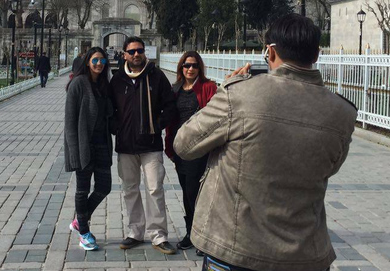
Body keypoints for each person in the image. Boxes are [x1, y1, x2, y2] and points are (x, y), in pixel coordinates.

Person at [174, 14, 358, 271]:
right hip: (305, 253)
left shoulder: (239, 94)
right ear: (316, 54)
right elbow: (331, 166)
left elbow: (184, 144)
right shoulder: (342, 111)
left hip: (237, 247)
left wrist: (225, 90)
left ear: (270, 52)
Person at [110, 36, 178, 255]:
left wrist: (156, 125)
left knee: (155, 189)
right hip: (126, 145)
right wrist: (116, 127)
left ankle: (158, 235)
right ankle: (135, 232)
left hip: (150, 144)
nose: (136, 55)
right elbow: (110, 109)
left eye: (139, 50)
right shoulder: (118, 79)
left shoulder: (155, 76)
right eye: (132, 52)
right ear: (124, 54)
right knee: (130, 190)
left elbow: (170, 106)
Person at [164, 51, 217, 254]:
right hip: (180, 149)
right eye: (187, 65)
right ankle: (190, 233)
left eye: (194, 65)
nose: (190, 69)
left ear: (199, 68)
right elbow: (170, 119)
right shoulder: (175, 89)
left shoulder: (208, 87)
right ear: (181, 67)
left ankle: (202, 236)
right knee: (186, 193)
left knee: (196, 193)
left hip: (199, 149)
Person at [64, 47, 114, 251]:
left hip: (102, 142)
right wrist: (74, 152)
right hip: (84, 144)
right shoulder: (78, 84)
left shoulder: (103, 85)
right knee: (82, 190)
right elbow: (70, 122)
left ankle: (79, 221)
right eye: (95, 60)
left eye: (102, 60)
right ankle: (84, 232)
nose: (99, 64)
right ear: (87, 62)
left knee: (104, 186)